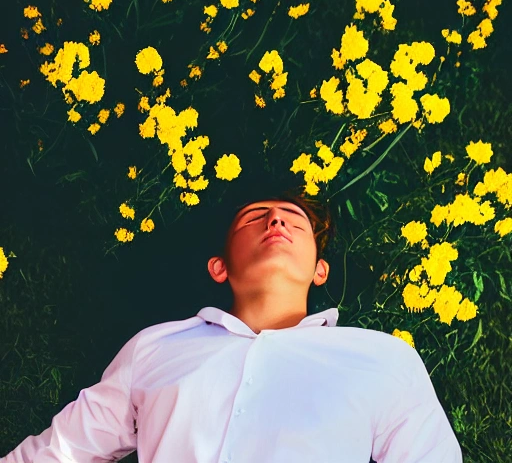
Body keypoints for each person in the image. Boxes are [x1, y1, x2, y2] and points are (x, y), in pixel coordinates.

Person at [1, 192, 463, 463]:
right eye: (254, 218)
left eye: (294, 221)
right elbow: (62, 450)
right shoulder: (157, 348)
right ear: (219, 267)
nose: (276, 220)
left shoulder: (382, 358)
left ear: (319, 270)